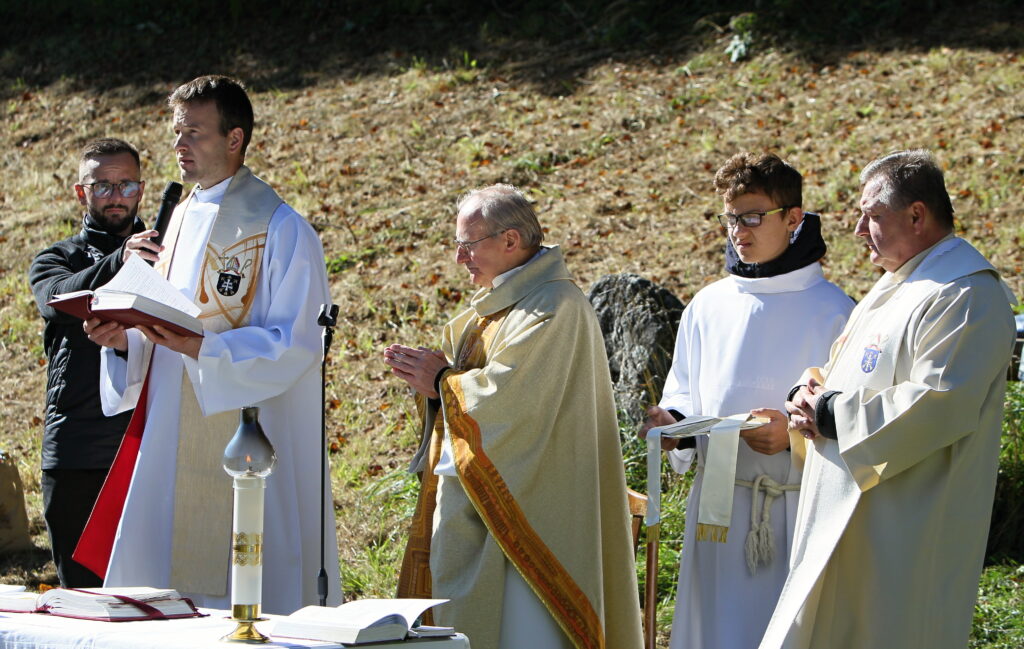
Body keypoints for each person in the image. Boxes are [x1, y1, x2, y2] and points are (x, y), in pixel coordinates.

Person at [78, 75, 340, 613]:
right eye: (176, 132)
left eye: (193, 133)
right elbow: (161, 324)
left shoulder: (283, 230)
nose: (179, 146)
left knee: (248, 598)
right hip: (172, 429)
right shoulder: (176, 221)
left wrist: (207, 351)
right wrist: (124, 339)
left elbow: (297, 344)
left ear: (235, 138)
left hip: (248, 430)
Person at [760, 150, 1016, 649]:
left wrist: (831, 413)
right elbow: (842, 370)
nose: (858, 229)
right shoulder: (896, 284)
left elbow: (940, 400)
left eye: (872, 216)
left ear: (917, 215)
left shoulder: (964, 294)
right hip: (848, 512)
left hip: (906, 528)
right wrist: (805, 394)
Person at [384, 184, 643, 649]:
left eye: (469, 244)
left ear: (510, 241)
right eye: (458, 245)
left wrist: (442, 380)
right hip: (496, 495)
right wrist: (437, 383)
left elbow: (512, 400)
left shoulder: (554, 307)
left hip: (536, 510)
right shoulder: (503, 307)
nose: (461, 258)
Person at [639, 153, 853, 649]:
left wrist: (794, 441)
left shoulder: (837, 313)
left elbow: (854, 423)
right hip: (718, 508)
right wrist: (674, 424)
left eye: (753, 216)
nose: (739, 230)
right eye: (731, 217)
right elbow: (686, 393)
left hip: (795, 508)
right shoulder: (708, 306)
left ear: (794, 218)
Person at [28, 138, 147, 587]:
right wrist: (123, 259)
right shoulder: (56, 258)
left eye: (126, 185)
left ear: (140, 188)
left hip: (145, 447)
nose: (116, 197)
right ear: (82, 193)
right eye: (103, 187)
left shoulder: (170, 255)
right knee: (82, 597)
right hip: (76, 450)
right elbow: (57, 300)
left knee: (151, 599)